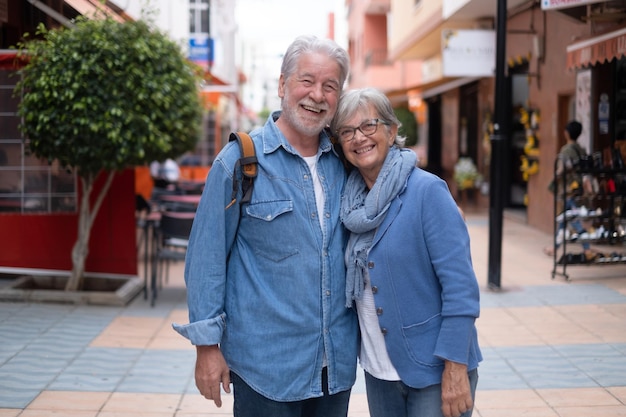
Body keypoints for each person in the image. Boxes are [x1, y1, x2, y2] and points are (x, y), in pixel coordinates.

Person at [172, 35, 358, 417]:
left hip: (335, 367)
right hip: (265, 368)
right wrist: (207, 348)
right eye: (306, 81)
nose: (317, 95)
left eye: (330, 86)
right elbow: (206, 258)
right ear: (282, 85)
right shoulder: (240, 161)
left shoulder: (345, 162)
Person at [331, 87, 482, 417]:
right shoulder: (349, 202)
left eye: (368, 125)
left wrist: (455, 368)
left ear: (392, 129)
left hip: (434, 369)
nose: (359, 138)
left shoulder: (428, 192)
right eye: (347, 131)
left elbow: (461, 290)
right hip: (379, 371)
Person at [544, 120, 595, 259]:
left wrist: (554, 180)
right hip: (578, 188)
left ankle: (587, 249)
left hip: (568, 189)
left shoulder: (566, 150)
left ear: (567, 133)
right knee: (564, 220)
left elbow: (562, 169)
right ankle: (554, 248)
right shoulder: (581, 149)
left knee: (574, 220)